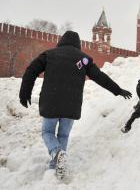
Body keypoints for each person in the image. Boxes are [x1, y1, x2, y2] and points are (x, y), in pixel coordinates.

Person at [18, 31, 132, 180]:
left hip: (50, 102)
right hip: (71, 105)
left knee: (47, 132)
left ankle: (56, 153)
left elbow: (30, 71)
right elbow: (100, 78)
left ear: (61, 41)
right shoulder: (83, 59)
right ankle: (57, 164)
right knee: (63, 135)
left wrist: (24, 93)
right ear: (78, 44)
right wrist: (118, 90)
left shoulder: (49, 54)